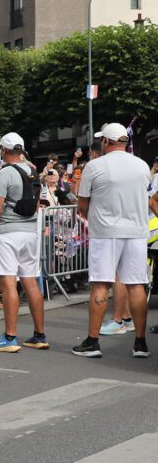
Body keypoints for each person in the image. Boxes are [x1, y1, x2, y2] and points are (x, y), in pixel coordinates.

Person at [73, 123, 151, 359]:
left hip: (106, 231)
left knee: (100, 284)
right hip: (136, 230)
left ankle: (93, 341)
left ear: (106, 142)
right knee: (136, 284)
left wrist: (93, 215)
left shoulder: (95, 166)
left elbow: (82, 203)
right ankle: (140, 342)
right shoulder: (142, 165)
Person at [0, 132, 48, 352]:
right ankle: (39, 334)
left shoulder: (5, 174)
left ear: (3, 150)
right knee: (30, 282)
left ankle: (10, 337)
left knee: (8, 283)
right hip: (29, 232)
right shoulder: (32, 171)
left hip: (8, 232)